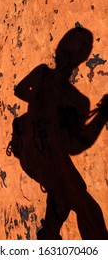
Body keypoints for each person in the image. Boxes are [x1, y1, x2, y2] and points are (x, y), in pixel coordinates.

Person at [7, 27, 108, 239]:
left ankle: (49, 237)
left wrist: (100, 117)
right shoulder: (48, 78)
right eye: (73, 44)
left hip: (45, 157)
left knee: (63, 201)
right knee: (82, 203)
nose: (72, 51)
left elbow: (74, 144)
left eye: (80, 47)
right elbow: (21, 91)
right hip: (36, 153)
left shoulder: (76, 101)